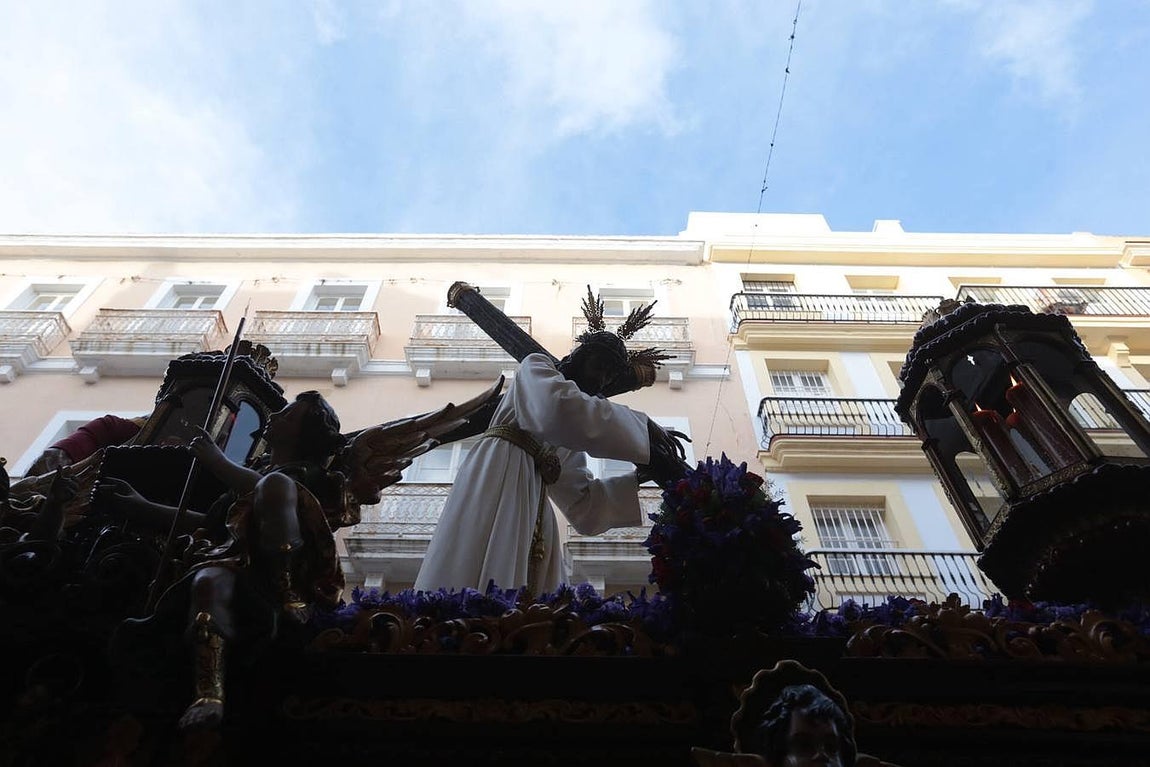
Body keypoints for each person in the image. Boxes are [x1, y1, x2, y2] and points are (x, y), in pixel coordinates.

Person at [99, 391, 350, 731]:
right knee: (207, 582)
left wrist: (216, 461)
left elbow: (271, 490)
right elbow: (208, 523)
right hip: (231, 563)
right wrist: (143, 507)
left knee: (274, 485)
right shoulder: (248, 476)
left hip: (288, 567)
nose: (277, 417)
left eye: (289, 415)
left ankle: (287, 592)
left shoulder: (307, 474)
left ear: (307, 432)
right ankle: (209, 693)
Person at [415, 325, 687, 595]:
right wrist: (644, 426)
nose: (601, 380)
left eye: (609, 376)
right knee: (478, 558)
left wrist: (638, 478)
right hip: (496, 473)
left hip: (533, 500)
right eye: (598, 366)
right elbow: (556, 409)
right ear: (579, 356)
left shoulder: (565, 439)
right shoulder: (537, 368)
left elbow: (582, 505)